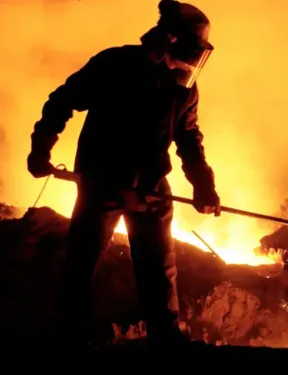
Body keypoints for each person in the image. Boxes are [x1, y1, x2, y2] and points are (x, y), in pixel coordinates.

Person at [26, 0, 220, 349]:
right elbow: (62, 101)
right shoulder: (115, 65)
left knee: (159, 273)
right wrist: (41, 149)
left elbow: (189, 139)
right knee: (81, 266)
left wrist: (204, 185)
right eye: (190, 50)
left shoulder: (184, 89)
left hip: (152, 192)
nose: (192, 61)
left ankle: (166, 341)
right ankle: (67, 341)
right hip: (103, 187)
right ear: (168, 40)